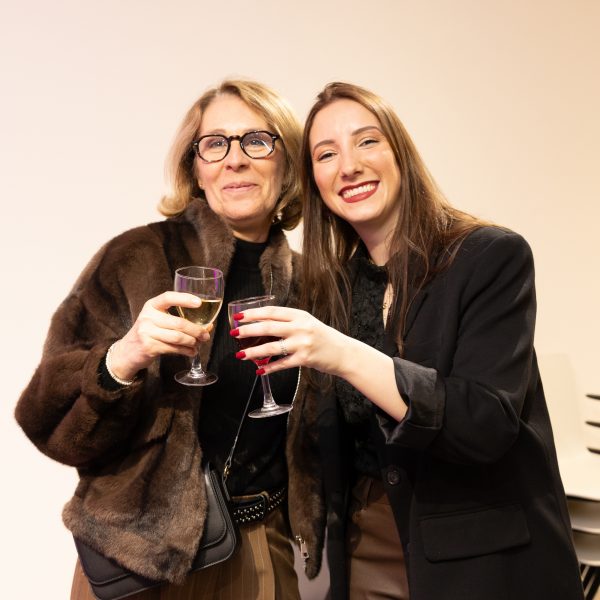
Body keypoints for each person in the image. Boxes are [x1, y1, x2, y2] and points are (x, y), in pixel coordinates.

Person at [232, 82, 585, 599]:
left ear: (400, 153)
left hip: (482, 557)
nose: (349, 166)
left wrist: (343, 354)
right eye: (326, 154)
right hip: (365, 551)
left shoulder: (489, 257)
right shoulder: (332, 288)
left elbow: (484, 425)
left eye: (367, 141)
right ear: (314, 181)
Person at [15, 79, 304, 600]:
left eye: (257, 140)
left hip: (259, 553)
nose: (235, 159)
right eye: (215, 143)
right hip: (136, 560)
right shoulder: (136, 257)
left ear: (286, 162)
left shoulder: (312, 285)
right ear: (195, 167)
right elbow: (45, 420)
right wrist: (121, 360)